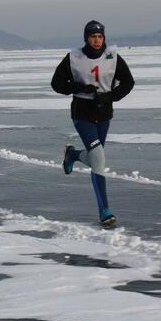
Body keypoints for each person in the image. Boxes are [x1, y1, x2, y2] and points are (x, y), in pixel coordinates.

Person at [51, 20, 134, 225]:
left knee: (96, 158)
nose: (97, 41)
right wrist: (77, 87)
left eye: (100, 37)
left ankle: (73, 154)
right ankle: (104, 210)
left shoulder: (112, 57)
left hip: (104, 114)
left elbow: (128, 82)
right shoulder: (74, 57)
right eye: (93, 37)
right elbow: (57, 83)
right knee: (98, 157)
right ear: (86, 38)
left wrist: (111, 96)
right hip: (82, 113)